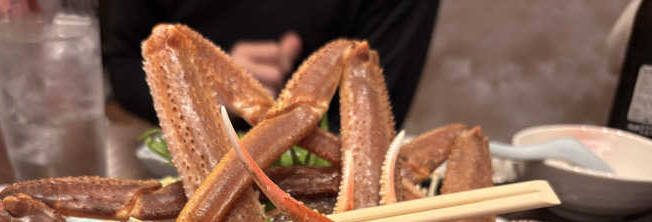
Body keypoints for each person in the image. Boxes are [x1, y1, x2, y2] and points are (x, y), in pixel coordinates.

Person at [103, 0, 440, 129]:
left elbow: (373, 117)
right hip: (180, 163)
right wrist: (193, 92)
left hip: (334, 185)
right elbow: (122, 60)